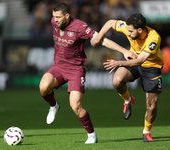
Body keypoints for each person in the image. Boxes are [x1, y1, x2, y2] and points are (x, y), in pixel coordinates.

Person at [39, 2, 136, 144]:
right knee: (43, 87)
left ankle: (91, 135)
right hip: (58, 66)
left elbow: (101, 40)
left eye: (59, 17)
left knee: (75, 106)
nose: (55, 20)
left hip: (75, 70)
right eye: (54, 17)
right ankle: (54, 106)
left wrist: (124, 51)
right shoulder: (54, 21)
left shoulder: (79, 27)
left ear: (67, 16)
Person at [91, 13, 164, 142]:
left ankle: (146, 132)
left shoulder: (154, 38)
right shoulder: (128, 27)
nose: (128, 33)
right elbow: (110, 23)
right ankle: (128, 100)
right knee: (117, 80)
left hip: (151, 67)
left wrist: (118, 62)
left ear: (140, 30)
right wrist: (98, 37)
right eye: (128, 30)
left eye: (131, 31)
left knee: (151, 106)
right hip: (134, 59)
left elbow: (140, 61)